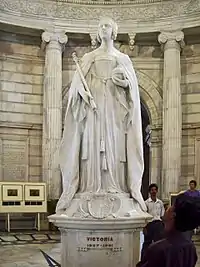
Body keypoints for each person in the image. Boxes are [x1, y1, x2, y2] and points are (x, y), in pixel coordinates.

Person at [56, 17, 147, 213]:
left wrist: (124, 83)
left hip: (114, 111)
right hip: (92, 111)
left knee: (114, 146)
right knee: (90, 145)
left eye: (107, 26)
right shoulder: (89, 58)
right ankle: (89, 188)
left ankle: (117, 188)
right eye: (100, 26)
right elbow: (76, 88)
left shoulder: (123, 59)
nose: (103, 29)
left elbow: (133, 90)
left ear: (114, 31)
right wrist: (82, 94)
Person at [136, 193, 199, 267]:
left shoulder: (158, 249)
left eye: (171, 206)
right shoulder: (190, 248)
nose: (167, 208)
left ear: (172, 214)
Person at [141, 183, 165, 259]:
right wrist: (144, 227)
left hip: (158, 224)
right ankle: (144, 259)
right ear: (149, 192)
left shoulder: (160, 203)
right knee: (147, 243)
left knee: (159, 243)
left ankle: (158, 259)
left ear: (157, 191)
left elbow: (162, 215)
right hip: (150, 224)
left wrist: (163, 226)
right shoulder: (146, 203)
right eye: (152, 190)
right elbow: (144, 216)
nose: (153, 191)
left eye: (155, 190)